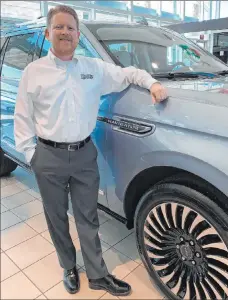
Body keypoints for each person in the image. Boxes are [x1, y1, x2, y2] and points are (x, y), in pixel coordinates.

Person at [14, 4, 168, 297]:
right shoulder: (33, 72)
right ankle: (68, 267)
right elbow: (22, 118)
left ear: (77, 34)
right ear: (48, 33)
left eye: (71, 28)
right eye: (59, 27)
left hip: (85, 154)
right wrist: (31, 155)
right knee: (56, 217)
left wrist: (153, 82)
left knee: (88, 217)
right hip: (49, 156)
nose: (65, 32)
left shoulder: (92, 69)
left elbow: (128, 74)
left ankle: (98, 275)